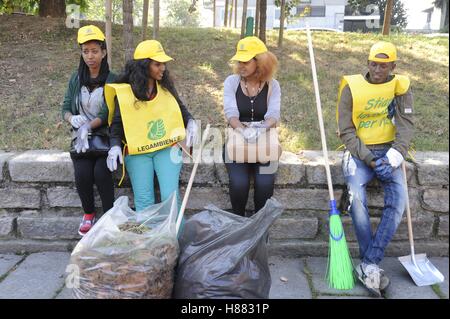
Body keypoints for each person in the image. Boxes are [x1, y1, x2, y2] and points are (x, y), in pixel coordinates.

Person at [336, 41, 414, 296]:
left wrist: (394, 156)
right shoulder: (351, 87)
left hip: (390, 152)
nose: (378, 69)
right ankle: (370, 266)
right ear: (367, 63)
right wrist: (370, 159)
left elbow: (406, 125)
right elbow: (346, 131)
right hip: (360, 153)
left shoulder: (400, 87)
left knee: (398, 203)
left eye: (383, 65)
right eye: (373, 64)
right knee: (356, 197)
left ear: (393, 65)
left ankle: (369, 263)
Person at [105, 40, 198, 213]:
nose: (163, 68)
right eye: (157, 64)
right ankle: (149, 240)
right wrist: (115, 146)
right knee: (144, 200)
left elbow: (180, 108)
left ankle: (173, 239)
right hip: (137, 151)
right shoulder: (125, 93)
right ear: (143, 65)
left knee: (171, 198)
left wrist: (191, 122)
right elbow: (117, 124)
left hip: (166, 147)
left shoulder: (164, 87)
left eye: (163, 63)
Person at [61, 25, 116, 236]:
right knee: (82, 173)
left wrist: (88, 126)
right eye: (86, 51)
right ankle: (89, 214)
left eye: (95, 51)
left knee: (101, 173)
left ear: (103, 52)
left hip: (105, 139)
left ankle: (110, 215)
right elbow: (65, 108)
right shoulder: (75, 79)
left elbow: (108, 112)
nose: (90, 56)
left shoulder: (113, 79)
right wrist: (72, 119)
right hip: (81, 140)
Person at [223, 36, 281, 217]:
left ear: (260, 62)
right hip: (237, 141)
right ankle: (238, 225)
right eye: (239, 61)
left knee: (265, 185)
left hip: (265, 143)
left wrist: (260, 129)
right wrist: (243, 130)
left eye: (246, 62)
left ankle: (259, 229)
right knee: (239, 184)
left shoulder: (273, 85)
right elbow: (231, 112)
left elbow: (273, 115)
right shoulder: (232, 82)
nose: (241, 66)